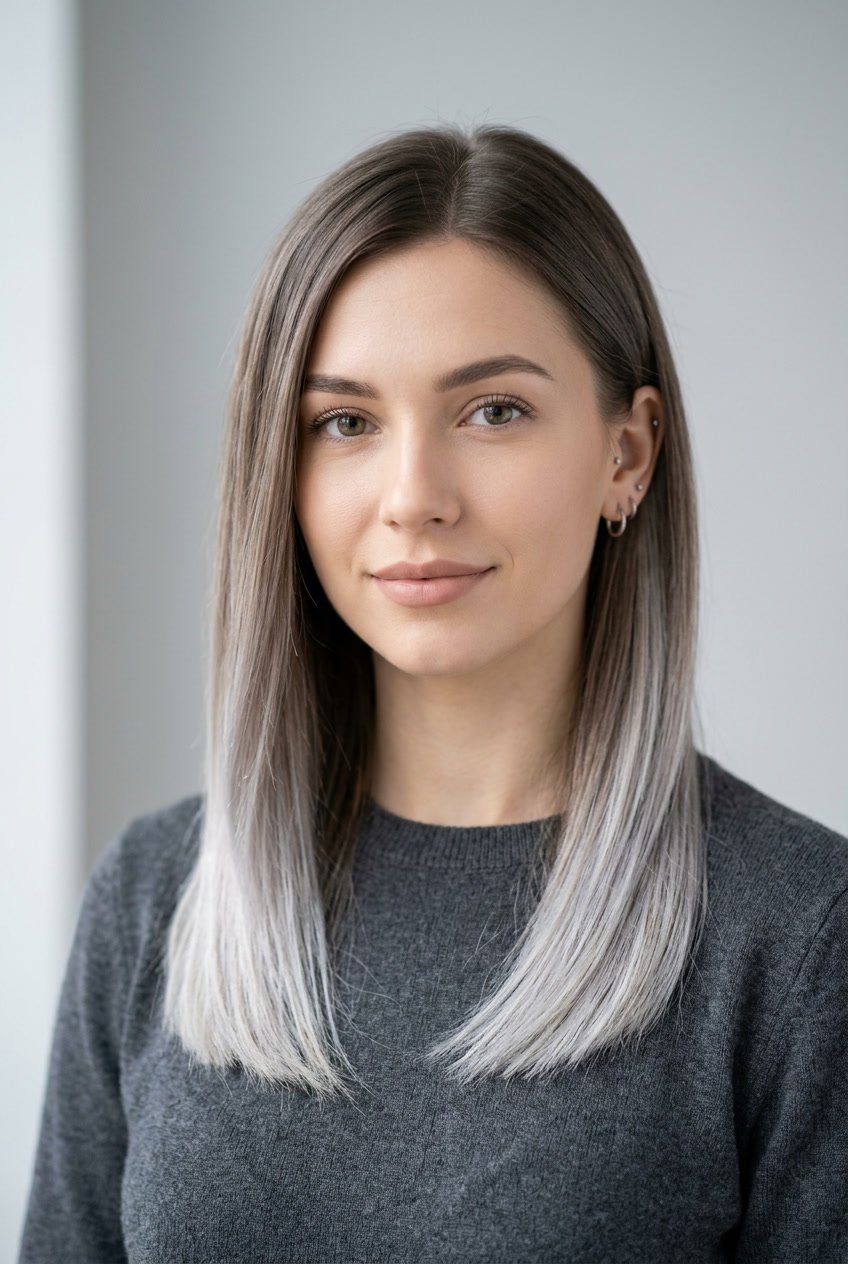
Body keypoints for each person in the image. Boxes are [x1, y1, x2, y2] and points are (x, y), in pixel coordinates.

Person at [18, 122, 848, 1263]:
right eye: (344, 423)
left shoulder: (797, 934)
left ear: (627, 452)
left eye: (491, 410)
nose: (413, 495)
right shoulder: (157, 898)